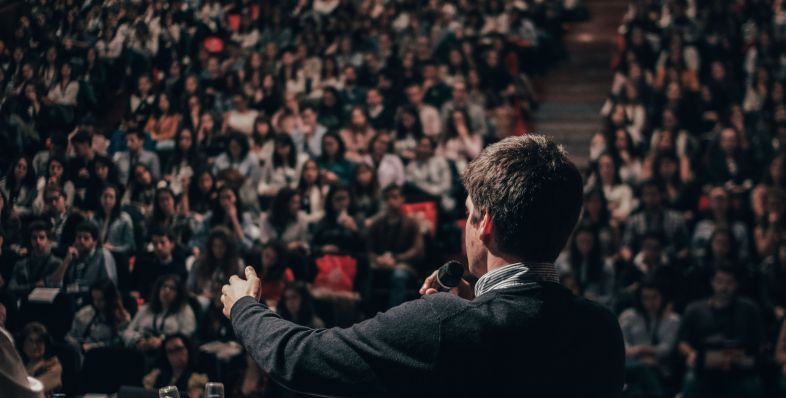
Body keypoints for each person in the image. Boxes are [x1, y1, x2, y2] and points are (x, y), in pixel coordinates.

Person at [220, 135, 625, 397]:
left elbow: (300, 358)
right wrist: (475, 305)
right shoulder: (601, 329)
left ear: (485, 224)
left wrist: (245, 308)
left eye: (467, 214)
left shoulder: (445, 324)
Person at [8, 221, 62, 298]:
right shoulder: (21, 264)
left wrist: (25, 288)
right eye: (34, 238)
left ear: (49, 240)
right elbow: (11, 288)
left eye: (42, 237)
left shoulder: (56, 263)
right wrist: (34, 286)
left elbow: (55, 288)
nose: (37, 241)